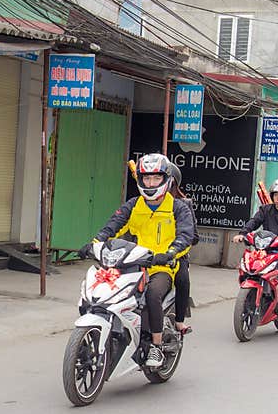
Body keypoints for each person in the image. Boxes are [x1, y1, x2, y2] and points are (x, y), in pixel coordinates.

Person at [80, 153, 195, 369]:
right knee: (104, 291)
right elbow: (113, 226)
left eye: (156, 178)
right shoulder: (134, 205)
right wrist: (94, 244)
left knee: (152, 294)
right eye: (147, 179)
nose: (151, 183)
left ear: (166, 180)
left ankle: (156, 346)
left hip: (163, 267)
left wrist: (170, 253)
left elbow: (186, 237)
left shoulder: (178, 207)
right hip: (132, 263)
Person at [231, 178, 278, 315]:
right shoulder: (265, 210)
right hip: (266, 251)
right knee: (249, 270)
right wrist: (243, 234)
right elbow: (254, 222)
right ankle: (251, 296)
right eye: (276, 195)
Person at [167, 160, 198, 324]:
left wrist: (176, 245)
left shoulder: (183, 205)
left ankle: (179, 321)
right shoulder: (141, 204)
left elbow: (194, 237)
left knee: (182, 280)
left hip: (176, 257)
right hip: (147, 255)